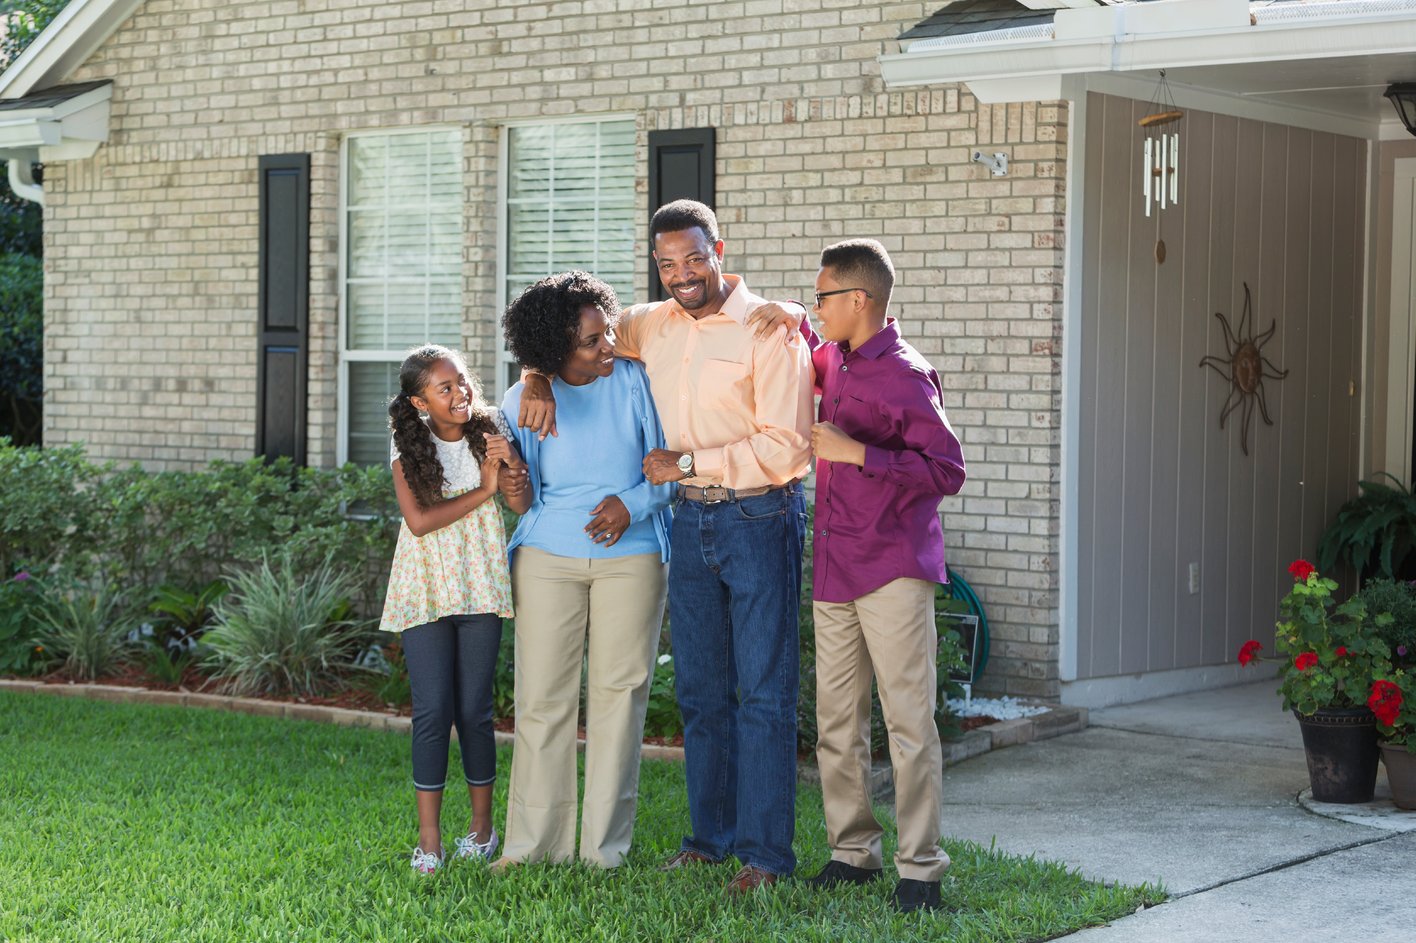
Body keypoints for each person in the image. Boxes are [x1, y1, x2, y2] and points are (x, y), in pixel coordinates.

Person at [517, 200, 813, 894]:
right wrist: (533, 374)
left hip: (757, 515)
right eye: (666, 262)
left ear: (719, 248)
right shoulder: (650, 323)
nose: (681, 273)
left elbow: (788, 448)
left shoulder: (768, 329)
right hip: (688, 523)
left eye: (693, 257)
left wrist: (683, 464)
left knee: (765, 693)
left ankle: (765, 855)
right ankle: (708, 841)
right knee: (704, 692)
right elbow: (567, 336)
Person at [802, 239, 966, 913]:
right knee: (837, 722)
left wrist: (857, 452)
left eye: (821, 298)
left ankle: (920, 867)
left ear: (859, 300)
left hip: (894, 567)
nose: (816, 309)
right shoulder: (832, 359)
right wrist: (782, 317)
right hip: (835, 565)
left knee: (907, 722)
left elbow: (946, 470)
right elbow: (797, 355)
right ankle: (852, 852)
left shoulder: (905, 374)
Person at [493, 271, 674, 870]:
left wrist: (633, 504)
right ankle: (532, 847)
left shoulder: (632, 380)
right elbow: (521, 499)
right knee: (542, 700)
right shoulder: (523, 399)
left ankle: (604, 851)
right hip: (548, 555)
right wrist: (513, 485)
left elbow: (667, 468)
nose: (608, 347)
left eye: (607, 332)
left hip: (634, 554)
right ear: (552, 352)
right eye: (592, 341)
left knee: (619, 700)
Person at [379, 344, 531, 874]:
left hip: (480, 585)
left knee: (474, 711)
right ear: (422, 402)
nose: (460, 392)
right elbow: (419, 521)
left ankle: (483, 831)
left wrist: (509, 470)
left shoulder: (490, 433)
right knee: (432, 712)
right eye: (445, 387)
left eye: (462, 381)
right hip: (425, 589)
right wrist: (484, 488)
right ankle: (430, 842)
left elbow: (520, 503)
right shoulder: (406, 444)